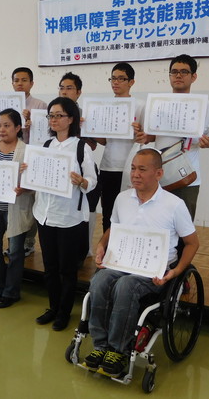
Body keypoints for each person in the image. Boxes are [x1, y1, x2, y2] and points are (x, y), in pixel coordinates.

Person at [83, 148, 199, 376]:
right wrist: (101, 244)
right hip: (122, 262)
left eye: (142, 169)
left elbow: (192, 243)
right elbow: (113, 229)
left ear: (158, 173)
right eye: (133, 168)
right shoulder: (122, 198)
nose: (135, 174)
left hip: (154, 271)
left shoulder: (174, 205)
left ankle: (118, 350)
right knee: (99, 280)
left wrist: (176, 272)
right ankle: (100, 345)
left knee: (126, 286)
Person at [30, 97, 97, 331]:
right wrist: (28, 171)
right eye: (51, 115)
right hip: (45, 214)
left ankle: (64, 312)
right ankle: (53, 307)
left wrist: (82, 181)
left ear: (71, 119)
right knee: (49, 266)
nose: (54, 119)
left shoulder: (81, 147)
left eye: (59, 115)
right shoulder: (46, 145)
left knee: (67, 269)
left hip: (69, 217)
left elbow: (92, 180)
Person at [134, 54, 209, 220]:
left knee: (183, 224)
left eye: (184, 72)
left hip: (187, 176)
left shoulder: (204, 105)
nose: (178, 75)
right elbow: (152, 136)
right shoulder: (159, 103)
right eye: (174, 72)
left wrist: (208, 142)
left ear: (194, 76)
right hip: (159, 174)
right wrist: (143, 136)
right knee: (157, 222)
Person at [0, 109, 35, 308]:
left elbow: (33, 182)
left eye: (7, 125)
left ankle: (11, 292)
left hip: (15, 208)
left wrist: (24, 188)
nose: (1, 129)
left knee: (16, 253)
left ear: (18, 128)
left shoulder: (26, 151)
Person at [95, 62, 144, 232]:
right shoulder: (105, 106)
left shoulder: (140, 106)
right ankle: (108, 246)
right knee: (108, 211)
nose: (116, 82)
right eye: (113, 78)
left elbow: (146, 138)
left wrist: (139, 131)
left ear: (131, 82)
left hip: (131, 167)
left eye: (121, 79)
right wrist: (89, 129)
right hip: (108, 166)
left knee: (130, 210)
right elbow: (104, 141)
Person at [59, 72, 100, 259]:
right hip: (59, 170)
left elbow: (94, 145)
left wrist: (81, 131)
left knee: (87, 209)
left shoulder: (86, 114)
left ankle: (85, 249)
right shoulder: (52, 114)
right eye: (62, 88)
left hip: (83, 169)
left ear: (78, 92)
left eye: (69, 88)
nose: (64, 92)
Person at [12, 67, 47, 256]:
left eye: (24, 80)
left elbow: (47, 134)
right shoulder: (7, 105)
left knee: (32, 199)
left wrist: (31, 123)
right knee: (15, 199)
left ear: (31, 83)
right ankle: (14, 240)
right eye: (16, 80)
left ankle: (29, 241)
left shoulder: (40, 105)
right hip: (13, 155)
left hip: (34, 158)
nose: (20, 83)